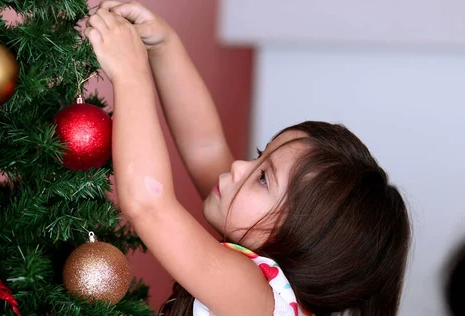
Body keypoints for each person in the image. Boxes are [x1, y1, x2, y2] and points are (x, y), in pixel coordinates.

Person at [84, 2, 411, 315]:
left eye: (263, 177)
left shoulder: (258, 298)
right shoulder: (263, 273)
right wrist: (164, 46)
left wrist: (130, 75)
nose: (239, 166)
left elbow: (150, 206)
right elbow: (205, 146)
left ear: (302, 238)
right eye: (258, 157)